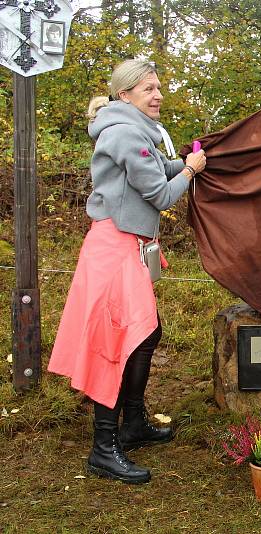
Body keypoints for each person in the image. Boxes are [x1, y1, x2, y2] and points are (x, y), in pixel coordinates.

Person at [48, 59, 206, 484]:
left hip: (127, 247)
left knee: (146, 333)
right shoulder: (123, 133)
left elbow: (157, 169)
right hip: (115, 249)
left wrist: (191, 160)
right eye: (148, 89)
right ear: (124, 95)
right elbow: (159, 194)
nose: (157, 95)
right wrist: (192, 171)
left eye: (158, 87)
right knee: (116, 343)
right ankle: (103, 447)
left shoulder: (136, 133)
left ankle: (132, 423)